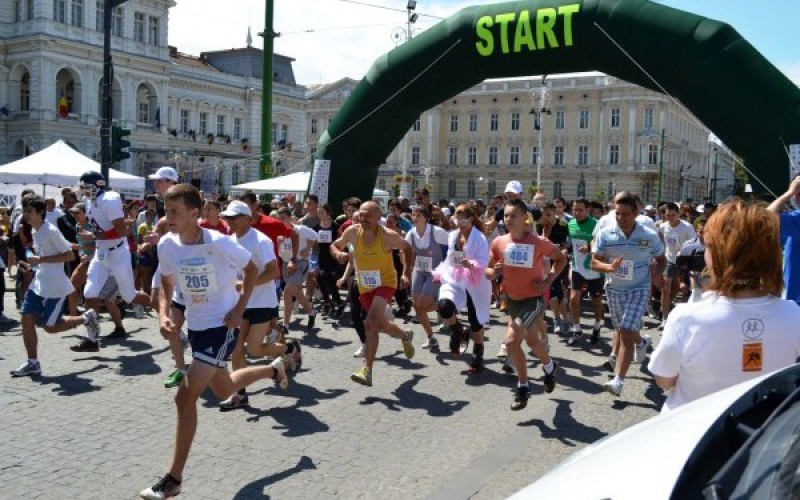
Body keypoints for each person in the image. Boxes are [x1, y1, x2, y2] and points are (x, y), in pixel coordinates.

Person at [140, 184, 289, 500]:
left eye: (176, 212)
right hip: (197, 326)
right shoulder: (167, 245)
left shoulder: (220, 243)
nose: (169, 218)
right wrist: (163, 315)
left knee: (184, 397)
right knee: (224, 388)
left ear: (195, 214)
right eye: (167, 211)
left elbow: (252, 270)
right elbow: (166, 283)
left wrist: (238, 309)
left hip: (223, 326)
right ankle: (272, 369)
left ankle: (173, 478)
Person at [649, 200, 800, 412]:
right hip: (761, 435)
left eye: (708, 246)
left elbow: (664, 379)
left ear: (719, 253)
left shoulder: (687, 317)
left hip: (693, 432)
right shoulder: (794, 314)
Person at [218, 200, 301, 411]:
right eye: (227, 217)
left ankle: (290, 348)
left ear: (247, 219)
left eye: (234, 218)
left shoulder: (260, 241)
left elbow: (274, 271)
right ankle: (240, 394)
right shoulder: (229, 240)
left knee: (254, 350)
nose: (229, 221)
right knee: (236, 348)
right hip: (239, 303)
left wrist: (247, 284)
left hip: (262, 303)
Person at [487, 198, 567, 409]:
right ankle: (550, 367)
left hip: (534, 301)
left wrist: (549, 280)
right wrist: (493, 272)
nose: (508, 219)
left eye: (513, 215)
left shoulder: (538, 242)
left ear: (525, 219)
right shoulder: (499, 242)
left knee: (512, 342)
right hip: (513, 301)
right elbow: (487, 271)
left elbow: (561, 259)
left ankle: (523, 387)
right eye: (505, 215)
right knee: (532, 342)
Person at [9, 196, 100, 377]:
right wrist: (31, 266)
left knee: (50, 327)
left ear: (40, 212)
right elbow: (49, 257)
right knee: (26, 318)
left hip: (55, 287)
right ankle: (33, 363)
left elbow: (68, 256)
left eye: (30, 211)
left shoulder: (50, 231)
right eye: (25, 211)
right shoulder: (35, 232)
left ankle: (87, 318)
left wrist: (40, 260)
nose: (26, 215)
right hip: (39, 284)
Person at [330, 201, 414, 387]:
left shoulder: (387, 236)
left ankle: (366, 370)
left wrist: (406, 273)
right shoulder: (352, 231)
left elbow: (407, 248)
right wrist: (338, 254)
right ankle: (404, 335)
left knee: (369, 323)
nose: (362, 218)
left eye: (367, 215)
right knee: (382, 325)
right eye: (361, 214)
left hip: (385, 282)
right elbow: (335, 245)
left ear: (378, 217)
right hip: (365, 284)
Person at [592, 192, 665, 398]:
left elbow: (661, 259)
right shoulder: (606, 234)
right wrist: (608, 267)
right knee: (622, 328)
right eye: (617, 213)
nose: (621, 218)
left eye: (625, 214)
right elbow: (594, 262)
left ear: (636, 213)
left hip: (639, 288)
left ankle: (618, 381)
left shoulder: (648, 236)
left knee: (624, 331)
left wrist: (657, 274)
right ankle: (641, 343)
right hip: (614, 289)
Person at [73, 171, 151, 351]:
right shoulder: (90, 201)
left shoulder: (109, 198)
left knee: (129, 296)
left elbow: (122, 231)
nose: (84, 191)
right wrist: (90, 233)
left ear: (98, 185)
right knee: (90, 292)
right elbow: (98, 225)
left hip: (118, 253)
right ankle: (92, 339)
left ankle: (161, 307)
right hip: (101, 252)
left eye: (87, 187)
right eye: (82, 187)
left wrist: (94, 234)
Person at [435, 204, 493, 372]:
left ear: (471, 219)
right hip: (455, 279)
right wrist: (443, 271)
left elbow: (483, 262)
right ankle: (458, 330)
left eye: (463, 219)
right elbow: (450, 257)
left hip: (475, 282)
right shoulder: (452, 236)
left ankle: (478, 354)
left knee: (476, 321)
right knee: (444, 308)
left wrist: (471, 264)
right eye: (456, 219)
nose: (459, 223)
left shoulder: (480, 238)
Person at [406, 204, 449, 348]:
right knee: (417, 306)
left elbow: (454, 246)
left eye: (418, 215)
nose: (415, 218)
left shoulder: (437, 232)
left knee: (423, 305)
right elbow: (405, 252)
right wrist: (405, 273)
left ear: (426, 218)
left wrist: (449, 267)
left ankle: (446, 307)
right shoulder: (411, 234)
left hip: (435, 272)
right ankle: (431, 337)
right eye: (413, 215)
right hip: (419, 270)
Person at [566, 199, 605, 344]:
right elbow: (571, 242)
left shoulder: (596, 224)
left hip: (594, 268)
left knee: (596, 301)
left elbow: (603, 244)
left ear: (588, 209)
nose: (576, 213)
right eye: (574, 210)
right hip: (577, 267)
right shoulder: (570, 223)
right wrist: (566, 250)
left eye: (580, 210)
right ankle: (577, 330)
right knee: (573, 299)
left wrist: (589, 249)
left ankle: (597, 325)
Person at [275, 206, 318, 331]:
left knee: (288, 291)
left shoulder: (301, 229)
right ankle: (311, 311)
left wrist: (308, 248)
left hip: (300, 263)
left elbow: (315, 236)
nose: (281, 221)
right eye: (279, 219)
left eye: (283, 218)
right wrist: (279, 242)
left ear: (289, 217)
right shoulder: (279, 232)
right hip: (285, 264)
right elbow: (277, 250)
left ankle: (286, 325)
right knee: (293, 292)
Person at [658, 202, 696, 327]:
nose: (670, 218)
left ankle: (687, 318)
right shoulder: (663, 227)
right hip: (670, 260)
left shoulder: (687, 227)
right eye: (668, 215)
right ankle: (664, 319)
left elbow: (694, 243)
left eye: (673, 215)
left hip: (685, 260)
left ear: (679, 214)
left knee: (685, 289)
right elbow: (661, 243)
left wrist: (684, 250)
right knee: (665, 288)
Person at [767, 176, 800, 304]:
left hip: (795, 298)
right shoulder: (793, 221)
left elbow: (766, 217)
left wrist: (789, 192)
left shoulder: (796, 219)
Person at [313, 204, 344, 317]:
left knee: (327, 276)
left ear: (328, 213)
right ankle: (328, 302)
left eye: (321, 212)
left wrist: (340, 253)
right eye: (318, 213)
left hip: (333, 256)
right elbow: (313, 244)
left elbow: (342, 241)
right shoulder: (316, 227)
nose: (319, 215)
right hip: (321, 256)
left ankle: (339, 303)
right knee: (319, 278)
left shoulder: (336, 226)